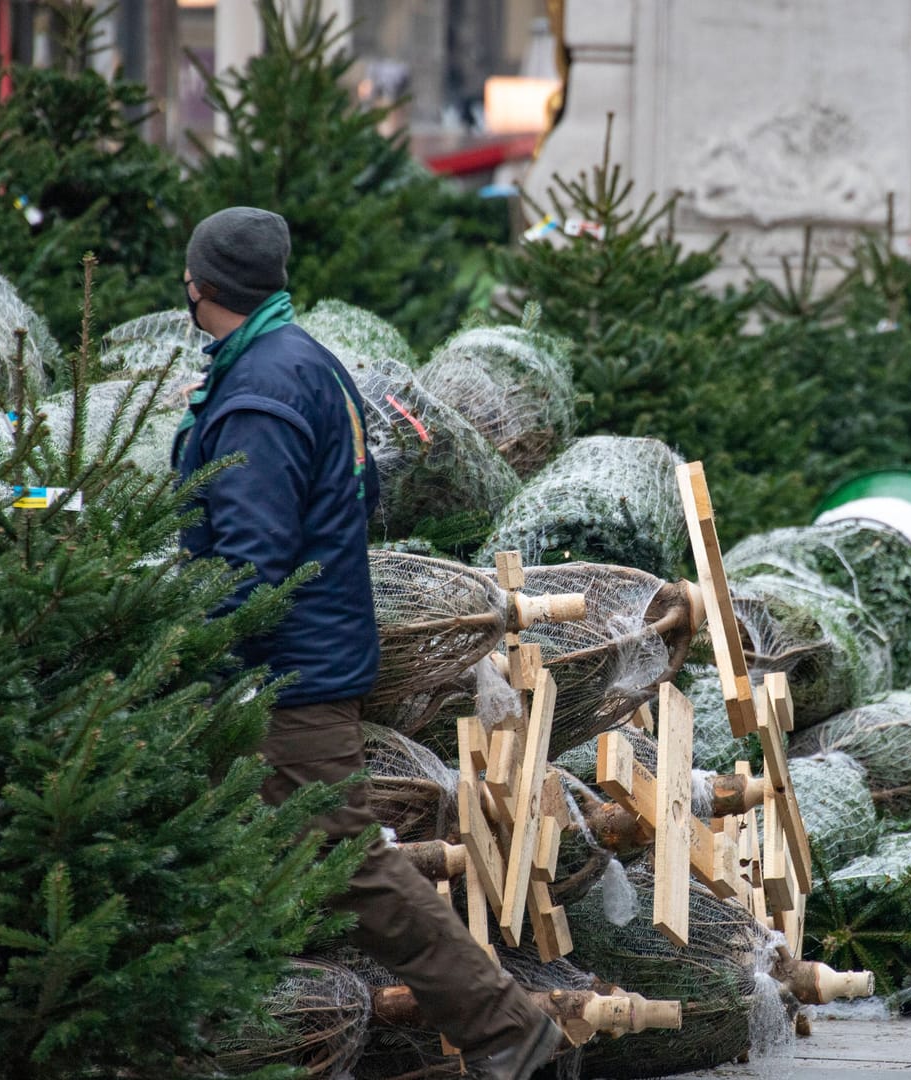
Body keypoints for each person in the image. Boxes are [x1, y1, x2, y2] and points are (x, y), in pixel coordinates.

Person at [172, 207, 564, 1079]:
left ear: (202, 287)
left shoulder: (260, 392)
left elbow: (253, 561)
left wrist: (186, 641)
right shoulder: (304, 362)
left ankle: (506, 1024)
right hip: (309, 654)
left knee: (346, 860)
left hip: (285, 675)